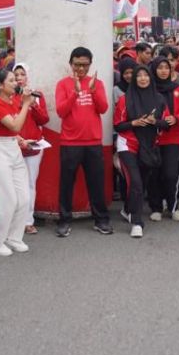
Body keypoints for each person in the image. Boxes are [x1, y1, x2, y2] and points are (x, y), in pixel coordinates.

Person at [54, 46, 112, 237]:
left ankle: (101, 220)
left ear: (90, 65)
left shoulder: (98, 83)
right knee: (66, 184)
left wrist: (93, 91)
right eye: (77, 65)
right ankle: (64, 220)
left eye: (85, 65)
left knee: (96, 183)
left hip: (93, 142)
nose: (81, 69)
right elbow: (61, 112)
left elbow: (103, 108)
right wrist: (75, 93)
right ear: (71, 64)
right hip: (70, 143)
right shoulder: (63, 84)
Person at [0, 68, 36, 255]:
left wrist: (20, 139)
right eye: (12, 80)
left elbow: (13, 129)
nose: (16, 83)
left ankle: (14, 238)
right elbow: (14, 124)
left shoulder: (13, 101)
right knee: (8, 200)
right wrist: (25, 105)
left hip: (13, 147)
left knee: (23, 197)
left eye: (16, 80)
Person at [113, 65, 168, 238]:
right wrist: (134, 123)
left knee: (141, 184)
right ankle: (137, 222)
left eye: (146, 75)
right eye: (139, 76)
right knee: (135, 182)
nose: (143, 78)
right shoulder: (125, 99)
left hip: (149, 148)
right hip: (127, 145)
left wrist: (155, 121)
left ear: (151, 78)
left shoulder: (159, 99)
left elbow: (167, 124)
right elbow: (118, 125)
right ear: (134, 79)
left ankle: (127, 209)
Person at [12, 63, 50, 235]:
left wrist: (34, 104)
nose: (19, 78)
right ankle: (12, 219)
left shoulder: (37, 95)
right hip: (13, 145)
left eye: (22, 74)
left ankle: (28, 220)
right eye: (16, 74)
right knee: (11, 184)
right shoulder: (9, 95)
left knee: (29, 184)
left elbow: (43, 119)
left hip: (34, 145)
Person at [151, 57, 179, 220]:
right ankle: (157, 207)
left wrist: (176, 118)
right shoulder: (149, 89)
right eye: (160, 68)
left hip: (173, 137)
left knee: (171, 173)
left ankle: (173, 207)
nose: (163, 70)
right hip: (153, 137)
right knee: (154, 174)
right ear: (154, 70)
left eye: (166, 67)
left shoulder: (177, 89)